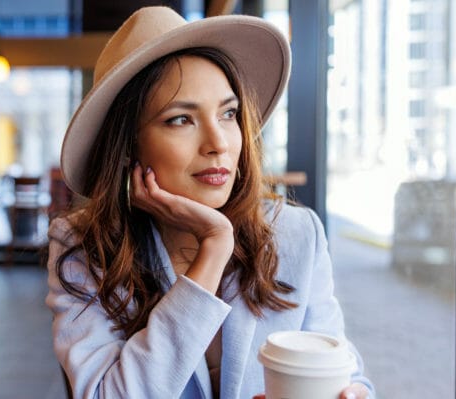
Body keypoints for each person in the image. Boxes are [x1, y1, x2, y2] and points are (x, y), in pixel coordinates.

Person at [45, 6, 375, 399]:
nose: (218, 144)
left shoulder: (295, 233)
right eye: (181, 119)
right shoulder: (85, 247)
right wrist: (214, 246)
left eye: (229, 113)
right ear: (129, 143)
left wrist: (353, 393)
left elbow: (341, 367)